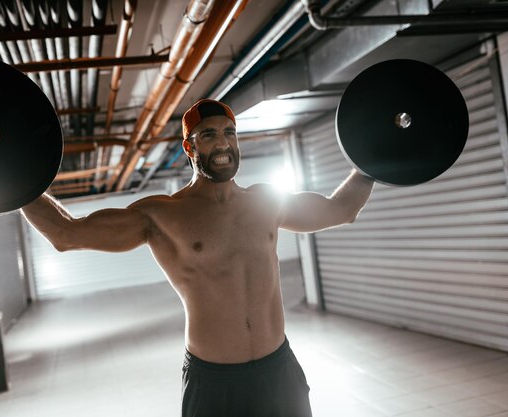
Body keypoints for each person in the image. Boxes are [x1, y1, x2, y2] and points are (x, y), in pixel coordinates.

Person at [21, 99, 374, 417]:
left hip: (278, 370)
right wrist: (14, 179)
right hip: (214, 382)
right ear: (189, 147)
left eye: (229, 133)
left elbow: (342, 210)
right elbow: (67, 234)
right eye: (208, 135)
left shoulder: (267, 202)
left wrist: (373, 160)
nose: (222, 144)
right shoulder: (162, 215)